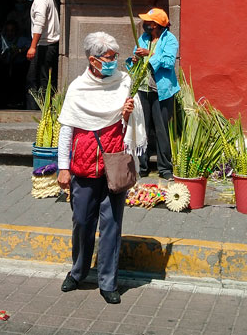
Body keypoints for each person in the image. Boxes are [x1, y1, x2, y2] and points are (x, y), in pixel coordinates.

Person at [57, 32, 145, 305]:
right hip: (84, 166)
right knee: (82, 222)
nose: (113, 62)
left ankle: (108, 282)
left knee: (112, 225)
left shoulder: (124, 82)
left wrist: (128, 114)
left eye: (115, 57)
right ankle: (78, 271)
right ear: (93, 59)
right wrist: (63, 167)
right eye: (108, 58)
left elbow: (132, 127)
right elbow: (67, 129)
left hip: (114, 164)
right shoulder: (77, 88)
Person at [129, 8, 179, 179]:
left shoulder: (170, 39)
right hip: (143, 89)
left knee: (161, 129)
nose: (145, 24)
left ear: (156, 25)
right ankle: (142, 167)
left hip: (162, 91)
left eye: (148, 22)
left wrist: (149, 54)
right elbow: (135, 57)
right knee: (142, 128)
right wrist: (134, 59)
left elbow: (169, 62)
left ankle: (165, 168)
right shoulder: (143, 38)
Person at [18, 0, 61, 109]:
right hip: (45, 44)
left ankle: (38, 110)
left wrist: (32, 46)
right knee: (42, 78)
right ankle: (41, 108)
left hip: (44, 45)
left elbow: (39, 23)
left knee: (37, 80)